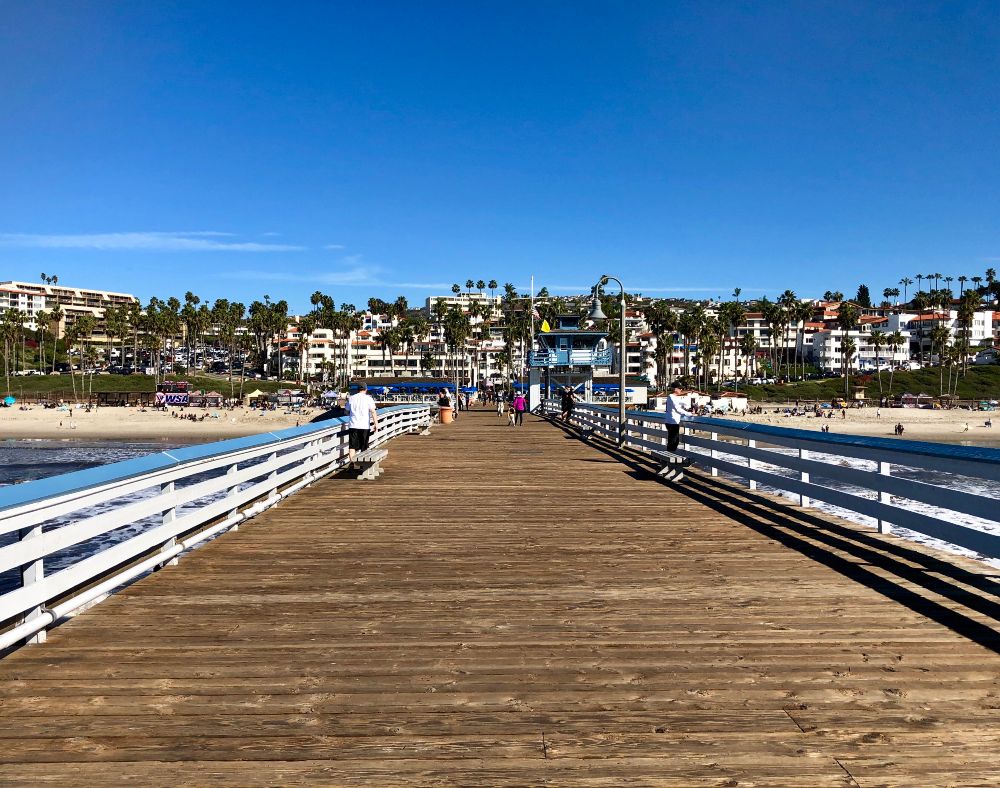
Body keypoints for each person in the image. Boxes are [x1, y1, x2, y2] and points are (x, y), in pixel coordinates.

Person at [346, 383, 379, 467]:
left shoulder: (351, 398)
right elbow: (373, 411)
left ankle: (352, 463)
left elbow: (346, 411)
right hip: (364, 426)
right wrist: (376, 424)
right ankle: (363, 465)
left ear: (358, 389)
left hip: (353, 425)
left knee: (352, 446)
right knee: (364, 446)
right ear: (366, 389)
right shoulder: (368, 399)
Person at [664, 382, 691, 452]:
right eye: (680, 388)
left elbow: (681, 402)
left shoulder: (672, 397)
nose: (681, 390)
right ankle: (670, 456)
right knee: (674, 441)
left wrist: (686, 404)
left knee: (673, 440)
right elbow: (677, 409)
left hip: (671, 421)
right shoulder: (671, 397)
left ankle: (669, 455)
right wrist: (688, 414)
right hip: (672, 422)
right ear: (675, 389)